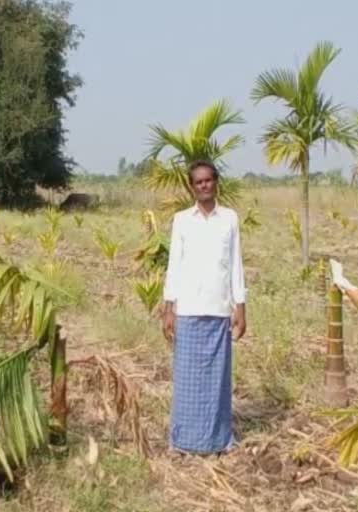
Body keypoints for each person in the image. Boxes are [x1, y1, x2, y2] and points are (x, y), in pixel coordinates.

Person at [162, 159, 247, 455]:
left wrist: (240, 306)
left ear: (216, 182)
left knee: (216, 382)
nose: (204, 186)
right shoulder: (182, 220)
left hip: (219, 309)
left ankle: (218, 440)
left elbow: (235, 264)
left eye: (208, 180)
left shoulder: (230, 219)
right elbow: (174, 265)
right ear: (192, 187)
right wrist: (169, 307)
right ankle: (183, 441)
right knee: (187, 381)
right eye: (198, 182)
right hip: (188, 309)